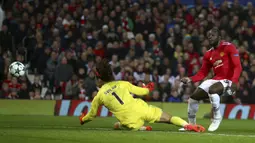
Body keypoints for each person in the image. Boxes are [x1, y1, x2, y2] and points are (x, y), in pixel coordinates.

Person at [79, 59, 205, 132]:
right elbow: (143, 92)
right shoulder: (123, 83)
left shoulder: (99, 96)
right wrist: (147, 88)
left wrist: (83, 119)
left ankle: (140, 128)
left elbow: (92, 115)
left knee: (126, 125)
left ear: (99, 79)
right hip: (141, 108)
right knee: (169, 118)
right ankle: (188, 125)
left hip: (129, 120)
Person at [180, 27, 242, 132]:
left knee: (213, 90)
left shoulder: (229, 47)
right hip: (216, 80)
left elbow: (238, 66)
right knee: (193, 98)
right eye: (208, 36)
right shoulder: (208, 54)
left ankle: (216, 118)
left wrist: (235, 81)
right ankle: (192, 125)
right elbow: (202, 73)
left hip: (229, 80)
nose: (210, 38)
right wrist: (190, 79)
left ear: (219, 37)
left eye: (212, 35)